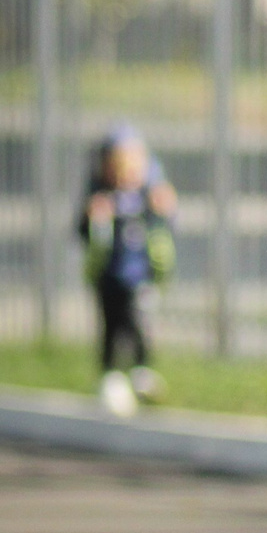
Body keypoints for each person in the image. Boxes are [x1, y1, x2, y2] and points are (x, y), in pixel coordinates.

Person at [77, 127, 176, 418]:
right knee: (111, 327)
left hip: (139, 275)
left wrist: (166, 209)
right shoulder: (101, 198)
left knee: (139, 322)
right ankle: (110, 376)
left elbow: (163, 229)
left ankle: (141, 370)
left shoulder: (147, 197)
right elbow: (82, 233)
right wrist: (92, 217)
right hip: (109, 277)